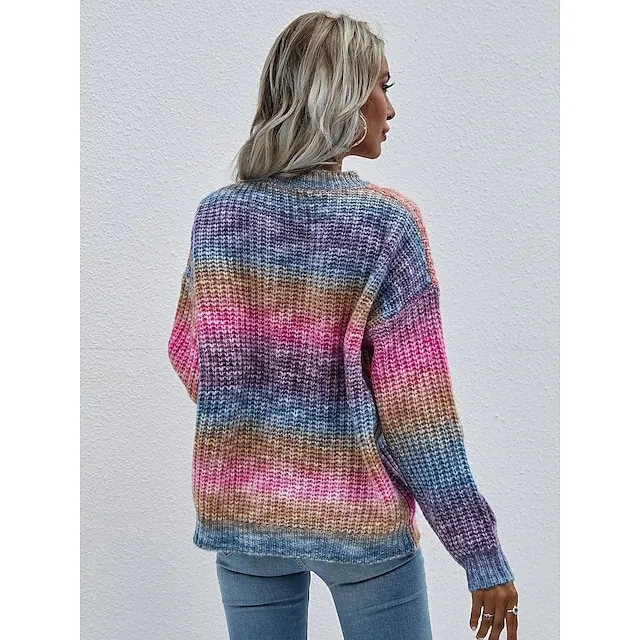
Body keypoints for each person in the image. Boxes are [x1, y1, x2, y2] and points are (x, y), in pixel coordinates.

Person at [168, 10, 519, 640]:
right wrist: (480, 553)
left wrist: (266, 423)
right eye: (382, 85)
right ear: (342, 96)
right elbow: (418, 418)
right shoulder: (386, 225)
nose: (390, 107)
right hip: (359, 523)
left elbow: (189, 355)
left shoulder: (217, 217)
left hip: (244, 517)